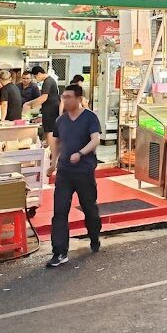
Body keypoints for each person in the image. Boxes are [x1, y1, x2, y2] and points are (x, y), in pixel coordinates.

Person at [47, 83, 102, 268]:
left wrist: (81, 153)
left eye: (69, 97)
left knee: (89, 208)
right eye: (64, 97)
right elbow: (56, 142)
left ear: (79, 98)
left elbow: (96, 139)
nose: (65, 100)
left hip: (84, 172)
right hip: (64, 173)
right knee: (59, 211)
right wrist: (53, 163)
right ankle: (59, 252)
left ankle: (94, 236)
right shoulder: (60, 121)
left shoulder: (90, 117)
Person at [27, 66, 60, 146]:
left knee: (49, 130)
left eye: (35, 76)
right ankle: (49, 147)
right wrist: (30, 103)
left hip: (51, 109)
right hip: (50, 108)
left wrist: (31, 107)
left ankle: (50, 150)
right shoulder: (49, 80)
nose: (35, 79)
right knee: (48, 130)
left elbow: (43, 98)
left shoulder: (47, 82)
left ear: (39, 73)